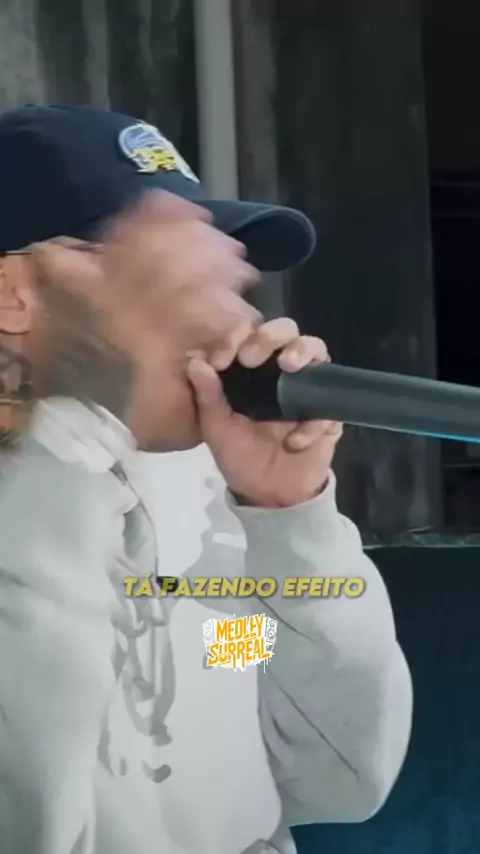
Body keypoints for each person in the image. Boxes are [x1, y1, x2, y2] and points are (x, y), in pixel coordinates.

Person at [0, 105, 412, 854]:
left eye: (219, 272)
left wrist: (289, 525)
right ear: (12, 294)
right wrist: (76, 440)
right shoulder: (30, 522)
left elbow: (335, 775)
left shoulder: (193, 497)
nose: (226, 314)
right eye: (166, 276)